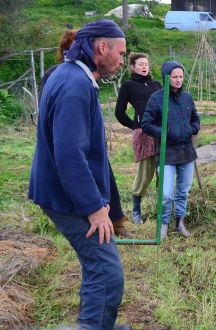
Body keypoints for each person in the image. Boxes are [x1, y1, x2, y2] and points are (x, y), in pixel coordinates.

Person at [28, 19, 129, 330]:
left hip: (63, 192)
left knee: (98, 265)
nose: (123, 59)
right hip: (68, 197)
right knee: (106, 270)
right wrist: (94, 209)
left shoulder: (70, 75)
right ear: (102, 48)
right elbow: (70, 156)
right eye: (121, 53)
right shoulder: (74, 85)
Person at [142, 61, 199, 239]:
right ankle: (164, 224)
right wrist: (164, 133)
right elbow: (146, 124)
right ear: (167, 78)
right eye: (174, 77)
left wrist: (192, 129)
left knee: (183, 191)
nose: (178, 80)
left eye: (181, 76)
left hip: (187, 152)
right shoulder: (157, 99)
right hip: (167, 153)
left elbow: (195, 119)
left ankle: (180, 222)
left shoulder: (187, 98)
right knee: (166, 194)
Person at [115, 53, 162, 225]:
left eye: (146, 64)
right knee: (145, 172)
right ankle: (136, 210)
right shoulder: (128, 86)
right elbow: (119, 112)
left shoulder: (157, 84)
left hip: (161, 132)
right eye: (140, 64)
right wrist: (135, 126)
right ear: (133, 67)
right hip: (144, 133)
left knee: (163, 171)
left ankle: (162, 210)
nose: (144, 67)